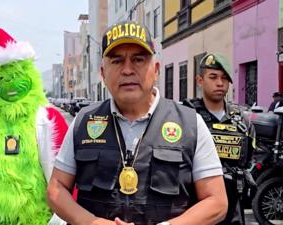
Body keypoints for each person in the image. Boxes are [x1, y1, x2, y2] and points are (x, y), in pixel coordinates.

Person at [47, 21, 228, 225]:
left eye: (138, 60)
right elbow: (56, 189)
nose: (127, 70)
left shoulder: (189, 123)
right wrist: (92, 223)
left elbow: (217, 201)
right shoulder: (83, 121)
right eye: (116, 61)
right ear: (102, 73)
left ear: (156, 69)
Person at [183, 53, 254, 225]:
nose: (220, 83)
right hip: (196, 208)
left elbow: (250, 158)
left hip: (234, 210)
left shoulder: (241, 119)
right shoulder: (187, 116)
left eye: (224, 78)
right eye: (213, 77)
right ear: (200, 80)